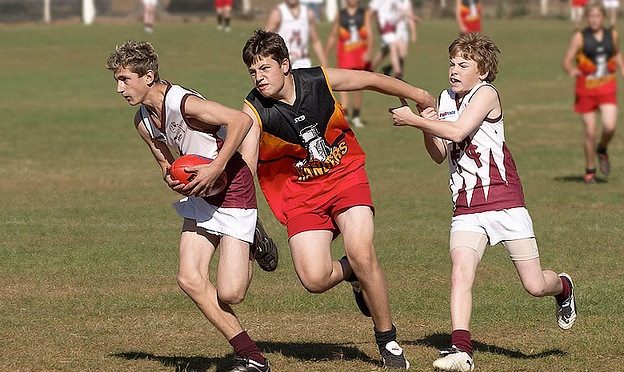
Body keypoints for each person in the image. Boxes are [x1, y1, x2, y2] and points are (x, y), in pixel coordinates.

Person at [241, 29, 435, 369]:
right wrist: (244, 217)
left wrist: (418, 94)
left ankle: (387, 339)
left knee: (363, 252)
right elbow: (244, 162)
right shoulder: (254, 110)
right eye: (253, 71)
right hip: (302, 195)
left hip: (345, 175)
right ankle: (353, 274)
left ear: (285, 65)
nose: (259, 77)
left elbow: (369, 80)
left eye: (265, 68)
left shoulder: (317, 80)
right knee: (314, 279)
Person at [389, 33, 577, 371]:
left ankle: (562, 287)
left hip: (505, 200)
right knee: (461, 272)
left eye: (464, 64)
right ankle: (460, 349)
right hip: (466, 206)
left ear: (483, 71)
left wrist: (416, 119)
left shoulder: (487, 94)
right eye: (452, 63)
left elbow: (459, 131)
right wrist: (427, 127)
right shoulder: (447, 97)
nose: (454, 70)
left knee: (534, 285)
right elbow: (439, 153)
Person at [105, 40, 275, 372]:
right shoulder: (143, 121)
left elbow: (242, 122)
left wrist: (216, 167)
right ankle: (253, 357)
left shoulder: (185, 104)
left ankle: (252, 238)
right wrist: (172, 178)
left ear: (149, 76)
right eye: (117, 80)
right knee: (190, 278)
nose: (119, 88)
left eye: (125, 79)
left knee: (231, 292)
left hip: (232, 188)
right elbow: (169, 167)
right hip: (200, 193)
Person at [563, 1, 623, 183]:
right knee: (590, 130)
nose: (594, 20)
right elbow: (567, 61)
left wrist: (622, 67)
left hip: (607, 87)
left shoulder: (612, 35)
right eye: (591, 16)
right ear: (586, 18)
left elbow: (617, 54)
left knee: (610, 126)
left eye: (598, 16)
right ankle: (590, 171)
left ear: (603, 18)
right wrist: (571, 69)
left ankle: (602, 149)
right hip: (586, 90)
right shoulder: (579, 37)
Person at [325, 0, 373, 127]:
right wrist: (326, 53)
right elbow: (333, 35)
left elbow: (369, 34)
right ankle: (344, 114)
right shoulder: (341, 15)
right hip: (344, 55)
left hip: (359, 54)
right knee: (343, 85)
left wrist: (369, 51)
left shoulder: (364, 14)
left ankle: (356, 115)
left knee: (360, 85)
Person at [266, 0, 328, 69]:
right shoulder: (278, 13)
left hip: (303, 61)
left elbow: (315, 40)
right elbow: (266, 40)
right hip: (284, 62)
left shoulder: (308, 13)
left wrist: (324, 62)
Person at [368, 0, 413, 79]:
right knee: (394, 46)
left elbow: (401, 11)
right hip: (385, 27)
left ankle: (369, 69)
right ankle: (398, 73)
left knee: (385, 51)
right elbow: (370, 13)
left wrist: (412, 17)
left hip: (392, 27)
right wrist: (367, 27)